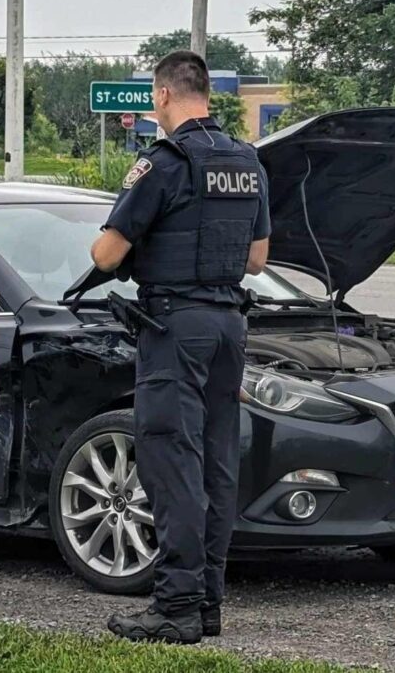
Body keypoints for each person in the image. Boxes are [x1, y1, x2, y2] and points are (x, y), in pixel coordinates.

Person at [90, 50, 270, 645]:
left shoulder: (163, 162)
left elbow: (106, 256)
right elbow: (256, 259)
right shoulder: (248, 161)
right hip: (228, 325)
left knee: (171, 463)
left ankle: (175, 607)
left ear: (163, 95)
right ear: (207, 95)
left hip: (175, 327)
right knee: (217, 464)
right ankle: (207, 603)